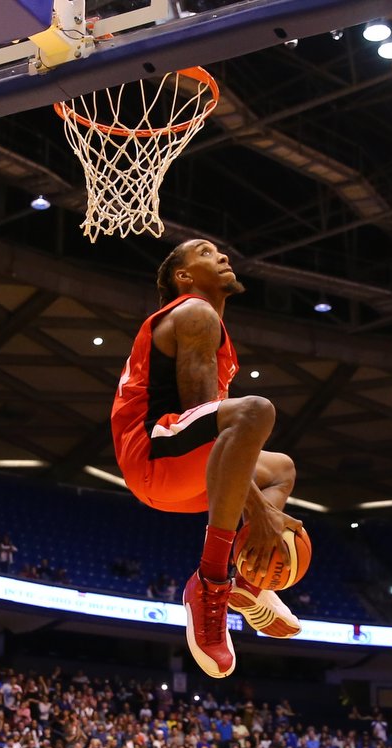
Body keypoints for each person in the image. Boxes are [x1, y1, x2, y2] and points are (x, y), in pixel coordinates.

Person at [110, 239, 304, 679]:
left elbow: (217, 441)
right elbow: (206, 425)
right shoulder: (194, 312)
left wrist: (258, 513)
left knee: (282, 469)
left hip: (182, 475)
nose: (223, 256)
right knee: (256, 411)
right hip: (154, 457)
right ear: (184, 276)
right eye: (205, 252)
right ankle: (212, 583)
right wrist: (259, 514)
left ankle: (249, 582)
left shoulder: (213, 326)